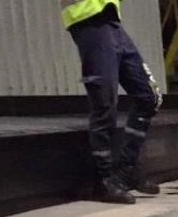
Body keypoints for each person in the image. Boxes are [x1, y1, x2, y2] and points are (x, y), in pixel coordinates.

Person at [61, 0, 162, 204]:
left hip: (110, 20)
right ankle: (104, 180)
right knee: (104, 103)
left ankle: (126, 170)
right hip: (87, 19)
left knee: (148, 97)